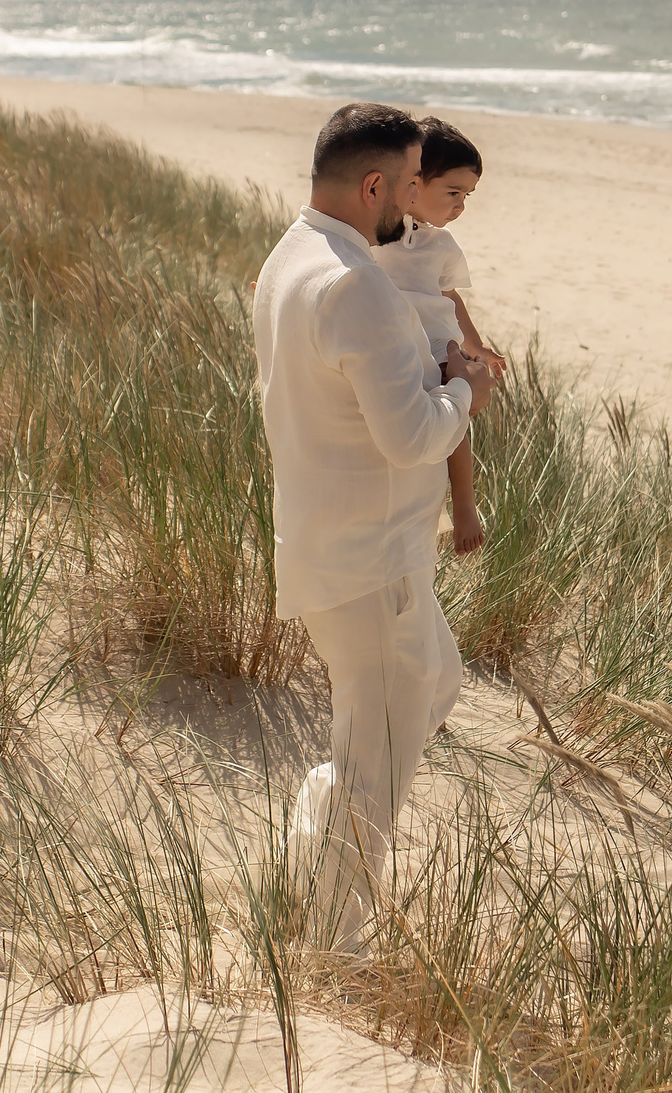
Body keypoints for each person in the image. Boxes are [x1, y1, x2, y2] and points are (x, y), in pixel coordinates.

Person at [252, 101, 498, 950]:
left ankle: (315, 834)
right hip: (372, 567)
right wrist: (469, 389)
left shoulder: (289, 255)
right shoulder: (357, 285)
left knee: (436, 684)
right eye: (404, 182)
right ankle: (329, 946)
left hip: (344, 551)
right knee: (374, 771)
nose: (411, 199)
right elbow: (415, 436)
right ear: (372, 184)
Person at [369, 117, 504, 554]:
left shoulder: (441, 245)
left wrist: (476, 345)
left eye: (467, 196)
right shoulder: (374, 232)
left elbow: (450, 299)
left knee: (456, 404)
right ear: (414, 181)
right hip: (392, 341)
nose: (460, 206)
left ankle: (464, 503)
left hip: (436, 343)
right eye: (452, 192)